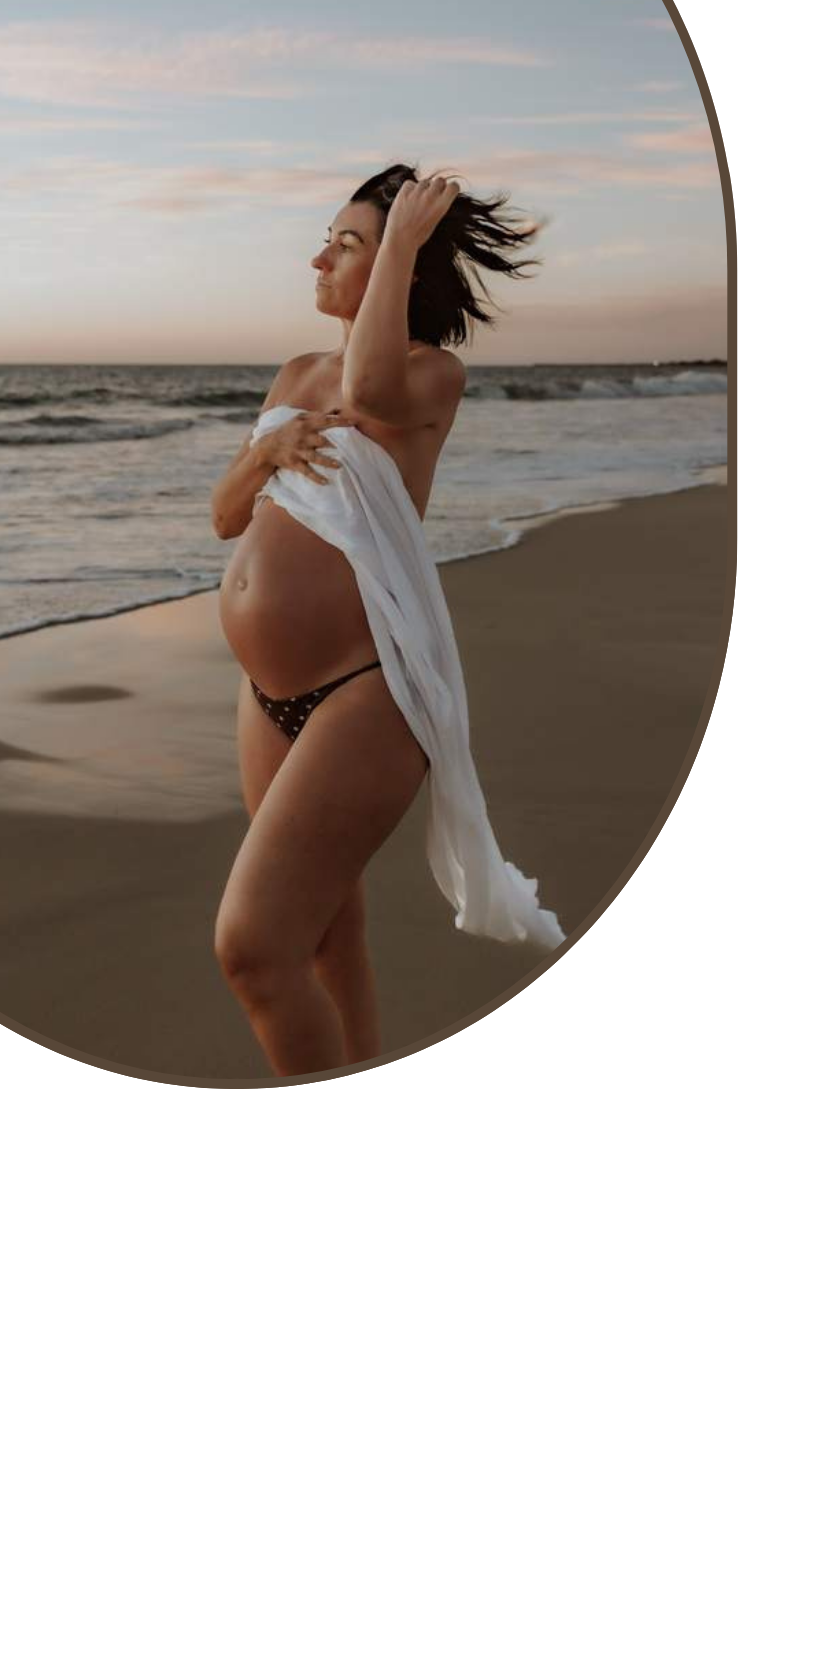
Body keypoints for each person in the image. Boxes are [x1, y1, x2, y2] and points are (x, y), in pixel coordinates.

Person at [209, 162, 562, 1078]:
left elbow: (369, 399)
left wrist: (401, 233)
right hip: (265, 693)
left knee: (253, 950)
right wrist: (268, 452)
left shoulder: (432, 374)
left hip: (364, 691)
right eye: (327, 239)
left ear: (401, 264)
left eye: (348, 243)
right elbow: (225, 516)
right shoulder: (296, 373)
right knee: (327, 931)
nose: (320, 257)